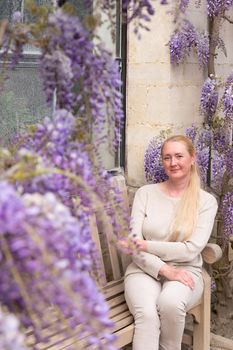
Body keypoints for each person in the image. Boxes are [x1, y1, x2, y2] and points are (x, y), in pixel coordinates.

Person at [121, 135, 218, 350]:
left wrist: (147, 246)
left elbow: (190, 250)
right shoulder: (145, 193)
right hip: (143, 268)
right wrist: (164, 269)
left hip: (187, 270)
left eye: (179, 156)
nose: (173, 163)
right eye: (167, 157)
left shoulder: (206, 201)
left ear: (192, 158)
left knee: (170, 303)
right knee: (146, 315)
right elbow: (133, 248)